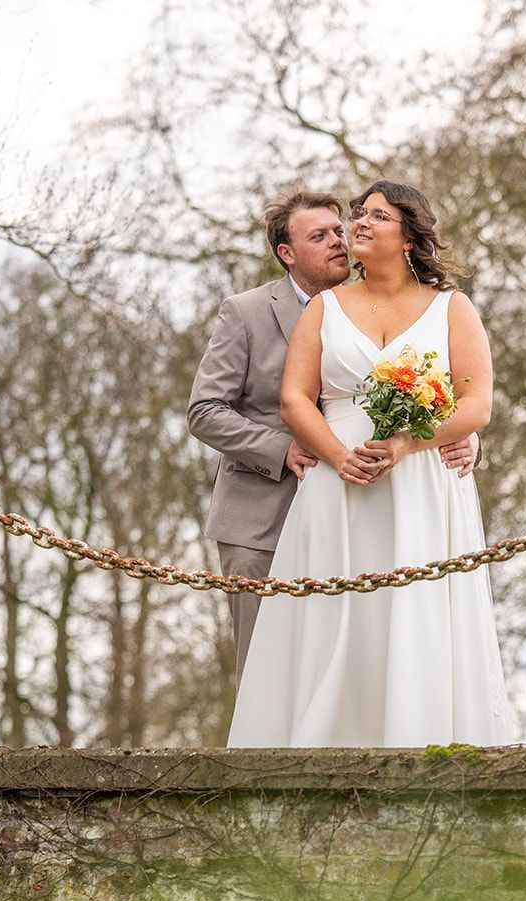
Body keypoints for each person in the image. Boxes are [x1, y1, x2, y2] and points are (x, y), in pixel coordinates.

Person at [227, 180, 513, 749]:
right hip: (339, 486)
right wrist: (337, 458)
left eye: (375, 216)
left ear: (409, 235)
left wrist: (412, 443)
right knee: (338, 615)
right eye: (358, 213)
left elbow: (475, 402)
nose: (358, 222)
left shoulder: (453, 308)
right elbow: (294, 400)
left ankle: (421, 743)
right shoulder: (325, 309)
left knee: (416, 611)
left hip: (423, 486)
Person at [188, 191, 478, 683]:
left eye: (338, 229)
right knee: (269, 674)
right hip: (263, 517)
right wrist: (283, 449)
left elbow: (452, 389)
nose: (338, 240)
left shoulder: (406, 307)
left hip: (369, 504)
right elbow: (204, 410)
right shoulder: (247, 311)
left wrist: (459, 436)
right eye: (318, 236)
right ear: (287, 253)